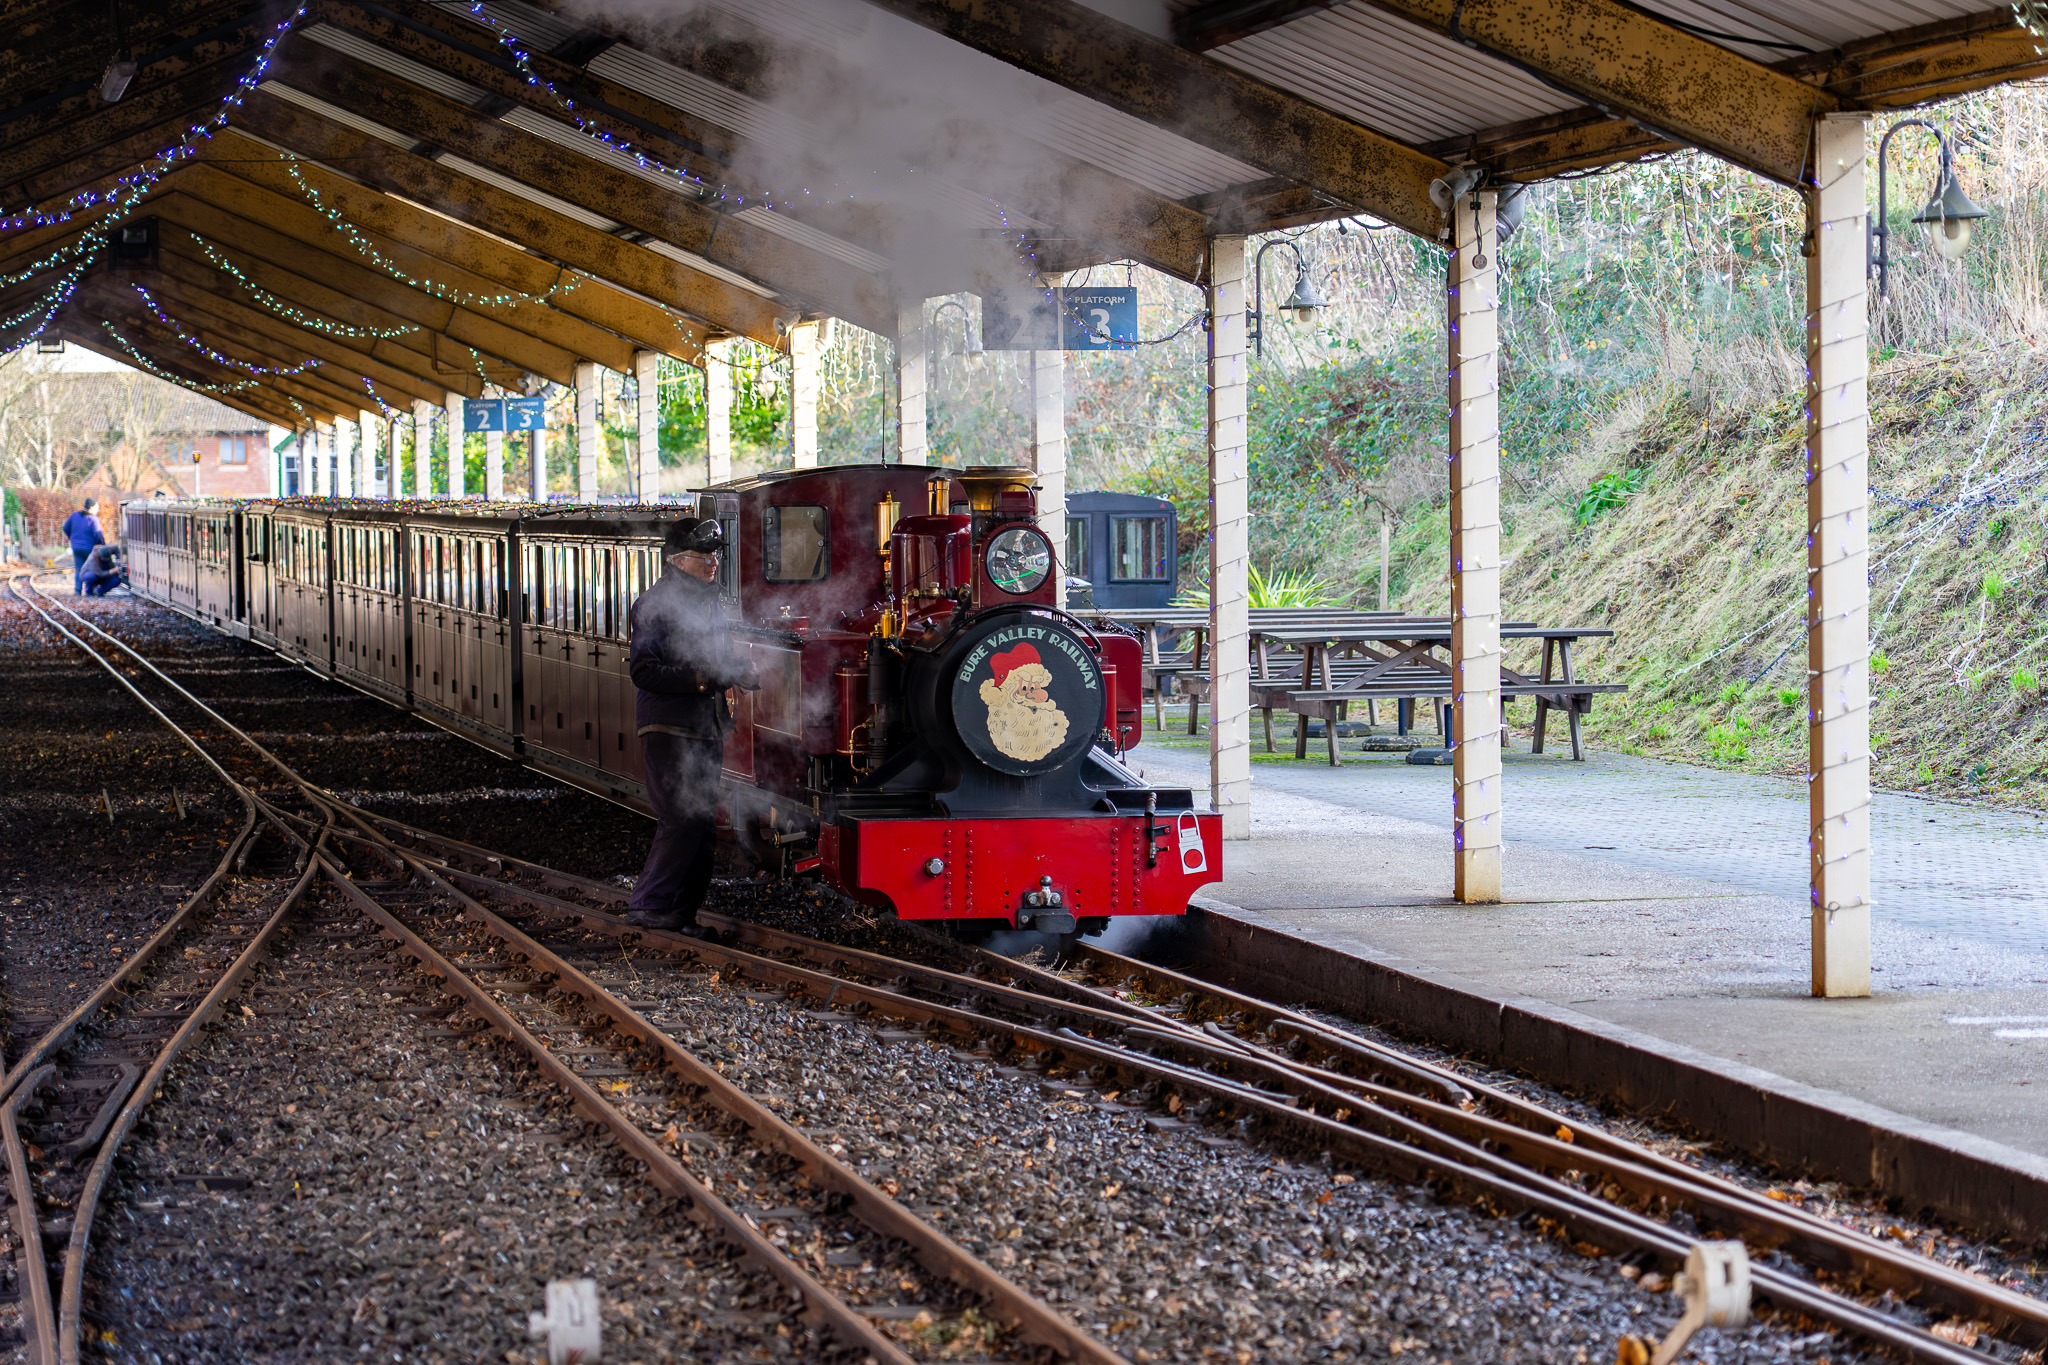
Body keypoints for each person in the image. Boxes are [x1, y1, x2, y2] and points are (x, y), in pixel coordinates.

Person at [624, 517, 757, 933]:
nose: (712, 563)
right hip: (668, 727)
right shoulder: (654, 604)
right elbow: (644, 672)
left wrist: (738, 670)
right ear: (677, 561)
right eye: (704, 556)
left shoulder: (709, 604)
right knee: (681, 818)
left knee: (701, 824)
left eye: (715, 555)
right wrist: (704, 678)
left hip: (705, 727)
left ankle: (680, 914)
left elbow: (718, 658)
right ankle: (648, 905)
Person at [62, 499, 105, 593]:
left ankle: (78, 590)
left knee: (79, 568)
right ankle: (89, 590)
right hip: (89, 548)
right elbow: (98, 534)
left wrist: (72, 537)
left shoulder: (74, 515)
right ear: (91, 507)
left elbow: (65, 527)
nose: (97, 510)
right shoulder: (94, 519)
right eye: (97, 507)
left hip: (76, 547)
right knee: (91, 568)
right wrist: (101, 545)